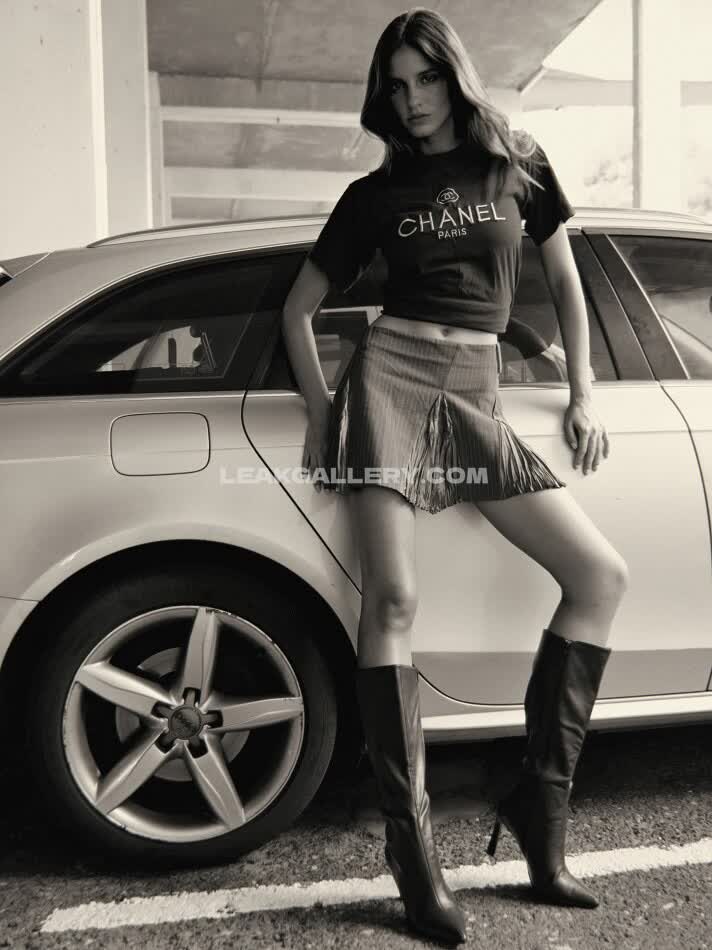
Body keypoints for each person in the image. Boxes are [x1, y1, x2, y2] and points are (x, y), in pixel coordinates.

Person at [281, 7, 629, 945]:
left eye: (426, 79)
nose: (412, 100)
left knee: (599, 576)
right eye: (396, 86)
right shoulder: (375, 194)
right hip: (389, 380)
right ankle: (413, 856)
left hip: (477, 395)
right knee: (393, 600)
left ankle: (539, 813)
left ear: (455, 76)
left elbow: (565, 282)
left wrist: (583, 392)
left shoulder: (517, 161)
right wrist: (323, 409)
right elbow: (298, 311)